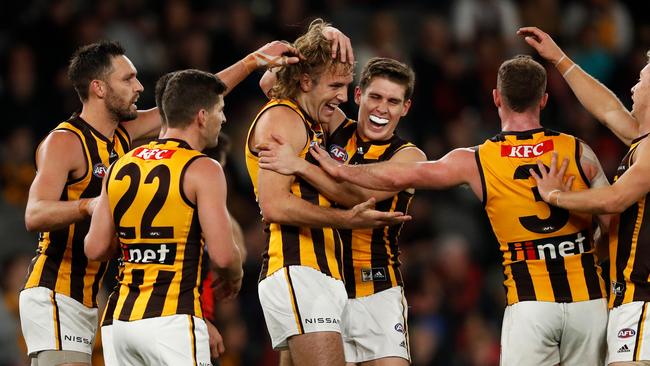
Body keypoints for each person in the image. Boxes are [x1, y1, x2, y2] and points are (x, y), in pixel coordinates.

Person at [310, 55, 611, 366]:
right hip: (589, 301)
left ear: (496, 97)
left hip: (530, 303)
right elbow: (612, 219)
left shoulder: (476, 160)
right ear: (544, 100)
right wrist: (586, 250)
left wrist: (342, 171)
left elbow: (404, 175)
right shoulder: (579, 151)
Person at [20, 39, 301, 366]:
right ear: (98, 87)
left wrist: (252, 62)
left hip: (97, 299)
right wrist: (94, 205)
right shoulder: (64, 140)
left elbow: (195, 100)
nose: (139, 86)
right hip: (56, 291)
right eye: (127, 79)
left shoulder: (122, 134)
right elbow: (34, 213)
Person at [245, 19, 412, 366]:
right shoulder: (325, 122)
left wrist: (306, 167)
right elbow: (273, 80)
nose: (381, 108)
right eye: (375, 97)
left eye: (393, 101)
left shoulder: (406, 154)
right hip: (303, 267)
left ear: (405, 108)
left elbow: (357, 196)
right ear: (359, 97)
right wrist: (327, 35)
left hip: (372, 286)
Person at [84, 69, 242, 365]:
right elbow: (223, 256)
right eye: (220, 111)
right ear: (201, 116)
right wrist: (235, 275)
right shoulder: (202, 169)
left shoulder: (120, 165)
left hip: (119, 323)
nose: (224, 120)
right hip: (173, 319)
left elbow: (94, 248)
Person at [519, 26, 650, 365]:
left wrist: (556, 196)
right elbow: (608, 111)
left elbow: (615, 199)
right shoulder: (642, 141)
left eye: (641, 79)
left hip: (643, 298)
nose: (633, 87)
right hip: (630, 298)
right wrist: (559, 59)